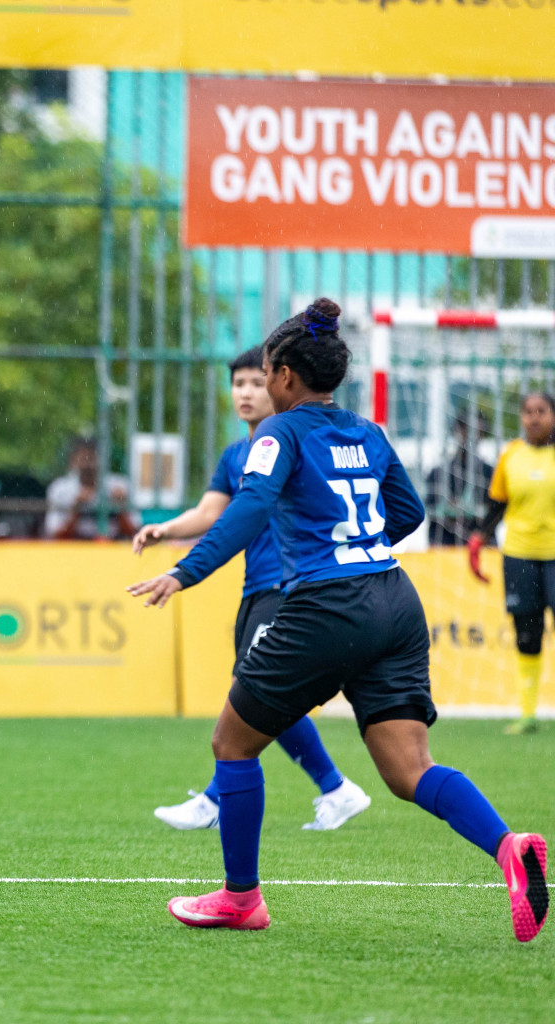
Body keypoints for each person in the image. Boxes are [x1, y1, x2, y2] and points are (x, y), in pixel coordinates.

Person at [127, 298, 547, 942]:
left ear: (287, 376)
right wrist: (354, 538)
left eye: (266, 372)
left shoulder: (280, 433)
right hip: (394, 599)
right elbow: (406, 512)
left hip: (328, 605)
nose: (262, 383)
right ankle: (507, 847)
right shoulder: (369, 432)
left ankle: (242, 898)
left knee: (232, 745)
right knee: (410, 770)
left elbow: (248, 508)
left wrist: (184, 571)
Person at [135, 346, 370, 832]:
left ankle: (218, 800)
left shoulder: (291, 444)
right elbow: (209, 512)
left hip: (290, 588)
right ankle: (335, 788)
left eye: (254, 382)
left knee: (256, 692)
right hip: (256, 590)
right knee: (263, 696)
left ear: (280, 382)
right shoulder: (236, 455)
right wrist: (167, 528)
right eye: (237, 384)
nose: (245, 392)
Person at [468, 391, 555, 736]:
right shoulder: (511, 456)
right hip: (519, 554)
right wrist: (478, 540)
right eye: (528, 412)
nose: (534, 418)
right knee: (526, 632)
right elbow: (496, 505)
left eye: (542, 411)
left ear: (552, 415)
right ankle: (528, 713)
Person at [45, 437, 139, 540]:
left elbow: (135, 534)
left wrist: (120, 508)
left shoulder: (120, 486)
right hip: (75, 548)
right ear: (73, 460)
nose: (88, 465)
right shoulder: (60, 489)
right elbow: (55, 536)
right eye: (83, 458)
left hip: (112, 546)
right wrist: (76, 510)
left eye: (92, 458)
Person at [425, 412, 494, 547]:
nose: (471, 437)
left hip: (480, 543)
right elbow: (430, 510)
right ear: (457, 431)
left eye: (478, 433)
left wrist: (463, 510)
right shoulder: (438, 472)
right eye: (466, 430)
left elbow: (495, 511)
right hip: (445, 542)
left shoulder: (490, 473)